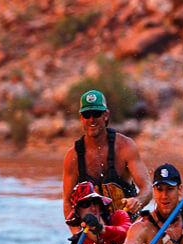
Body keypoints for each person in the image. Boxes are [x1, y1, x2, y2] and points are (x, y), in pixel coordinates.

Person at [62, 89, 151, 232]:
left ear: (106, 115)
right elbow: (67, 203)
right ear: (81, 117)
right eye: (87, 114)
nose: (92, 119)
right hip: (94, 234)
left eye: (97, 114)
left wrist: (138, 201)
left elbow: (147, 189)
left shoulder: (125, 147)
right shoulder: (72, 157)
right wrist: (77, 234)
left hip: (127, 230)